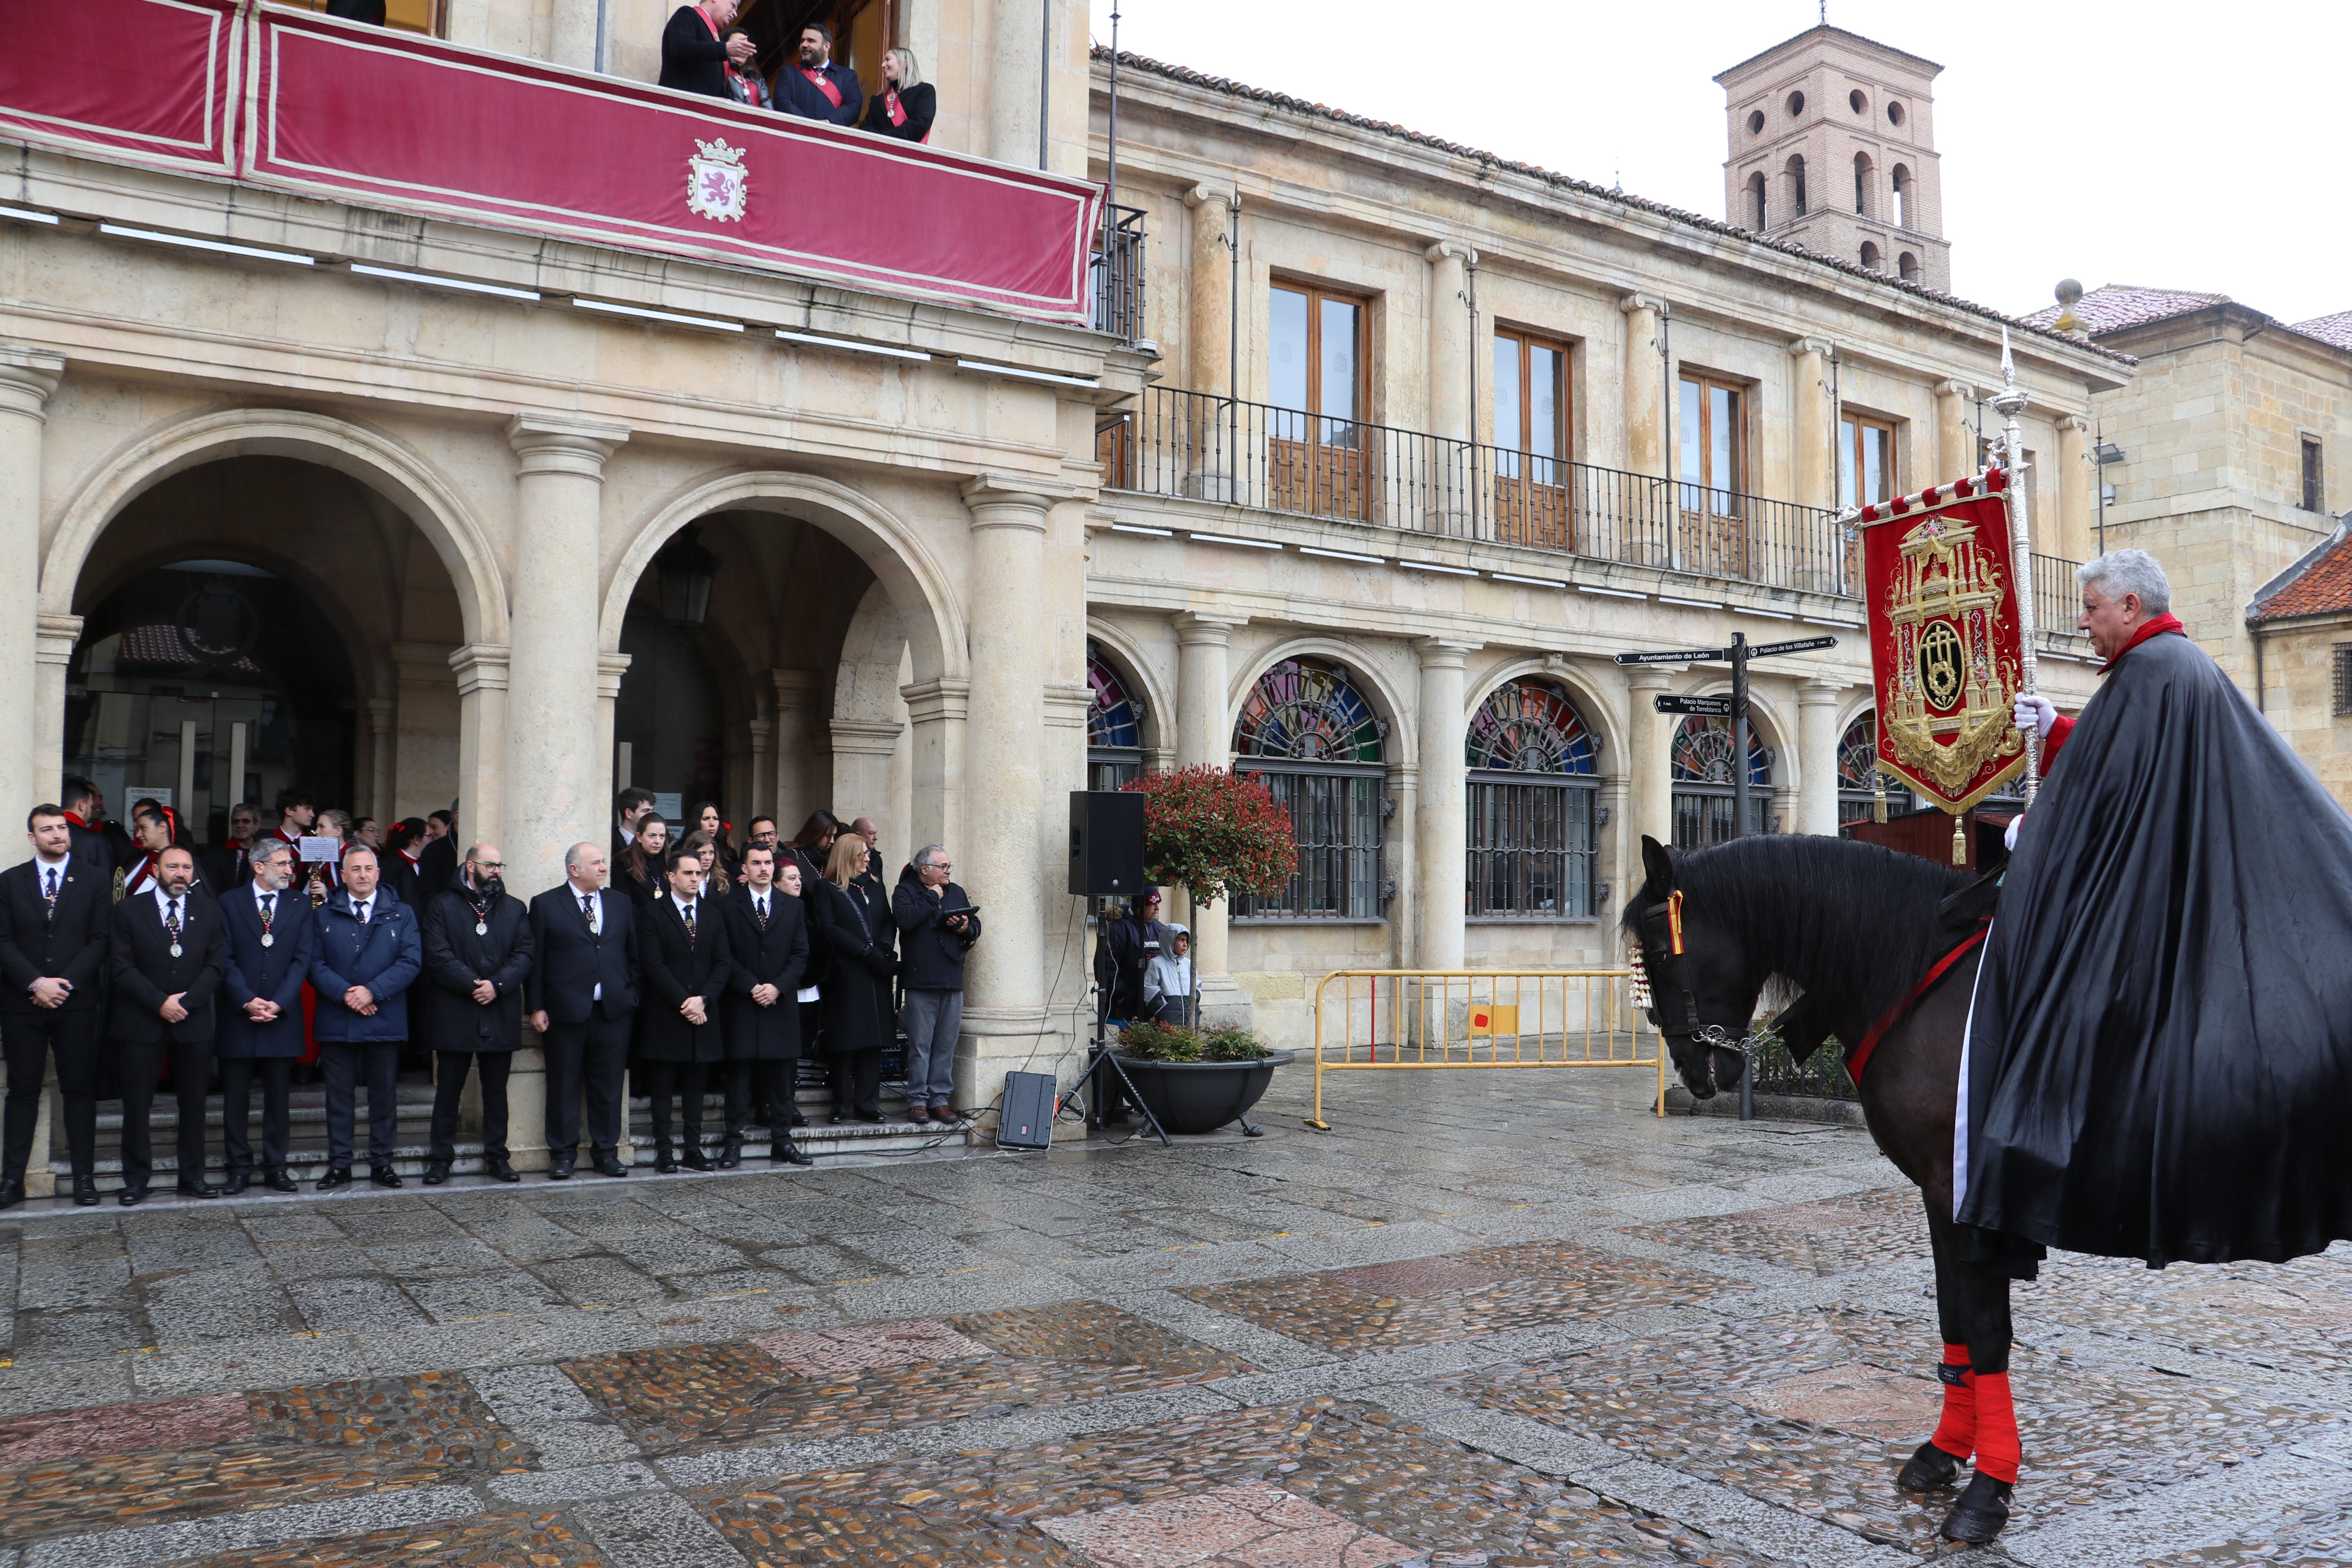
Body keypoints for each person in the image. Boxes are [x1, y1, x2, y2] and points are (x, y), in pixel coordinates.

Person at [1970, 547, 2352, 1272]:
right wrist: (2056, 730)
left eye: (2090, 609)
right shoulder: (2169, 665)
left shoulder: (2149, 673)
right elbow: (2122, 765)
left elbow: (2107, 799)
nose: (2082, 623)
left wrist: (2032, 834)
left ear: (2130, 608)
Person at [0, 806, 113, 1207]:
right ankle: (12, 1180)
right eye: (46, 829)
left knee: (79, 1090)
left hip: (76, 1001)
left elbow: (100, 939)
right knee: (22, 1091)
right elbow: (3, 941)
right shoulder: (10, 882)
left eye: (62, 828)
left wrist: (64, 985)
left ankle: (84, 1178)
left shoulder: (95, 880)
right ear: (32, 838)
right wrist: (36, 982)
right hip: (22, 1002)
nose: (56, 834)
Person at [109, 846, 225, 1204]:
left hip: (192, 1021)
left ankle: (192, 1177)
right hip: (142, 1020)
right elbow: (121, 967)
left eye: (187, 867)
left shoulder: (208, 910)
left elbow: (216, 965)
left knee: (193, 1104)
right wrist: (160, 1002)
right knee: (137, 1103)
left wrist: (184, 1003)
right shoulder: (129, 910)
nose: (180, 873)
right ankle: (136, 1181)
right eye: (172, 866)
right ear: (156, 870)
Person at [418, 844, 533, 1186]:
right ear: (470, 866)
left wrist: (496, 985)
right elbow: (437, 955)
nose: (497, 870)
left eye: (500, 864)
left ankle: (497, 1157)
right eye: (490, 864)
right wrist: (473, 984)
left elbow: (526, 953)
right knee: (449, 1090)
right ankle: (441, 1159)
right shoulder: (442, 904)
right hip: (456, 1010)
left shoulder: (514, 908)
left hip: (499, 1009)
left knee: (496, 1091)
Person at [309, 845, 421, 1189]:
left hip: (383, 1016)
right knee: (338, 1096)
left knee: (384, 1095)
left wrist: (371, 991)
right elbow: (313, 963)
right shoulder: (323, 914)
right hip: (337, 1017)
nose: (362, 875)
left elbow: (411, 961)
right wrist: (346, 993)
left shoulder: (402, 914)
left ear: (378, 873)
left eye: (368, 869)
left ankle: (382, 1163)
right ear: (342, 876)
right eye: (355, 869)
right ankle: (340, 1163)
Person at [528, 843, 640, 1180]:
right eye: (596, 863)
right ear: (575, 869)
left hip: (613, 1011)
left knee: (608, 1086)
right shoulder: (546, 904)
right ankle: (562, 1154)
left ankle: (607, 1152)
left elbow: (633, 954)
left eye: (604, 862)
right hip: (565, 1012)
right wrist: (536, 1006)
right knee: (563, 1084)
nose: (604, 867)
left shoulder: (620, 903)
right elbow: (537, 962)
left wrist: (631, 995)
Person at [216, 838, 316, 1195]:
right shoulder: (229, 902)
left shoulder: (300, 904)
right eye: (282, 864)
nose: (290, 870)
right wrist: (246, 1000)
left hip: (282, 1015)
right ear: (259, 867)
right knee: (236, 1100)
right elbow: (223, 958)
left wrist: (279, 1002)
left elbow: (302, 959)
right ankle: (238, 1168)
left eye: (290, 864)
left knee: (278, 1098)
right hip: (238, 1015)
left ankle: (277, 1166)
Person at [638, 846, 731, 1171]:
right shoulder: (653, 913)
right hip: (667, 1013)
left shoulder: (713, 912)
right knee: (662, 1088)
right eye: (688, 873)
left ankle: (694, 1148)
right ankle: (664, 1149)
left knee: (696, 1088)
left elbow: (723, 963)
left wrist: (704, 1000)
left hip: (704, 1013)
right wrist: (685, 1002)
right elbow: (654, 965)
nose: (695, 878)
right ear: (671, 876)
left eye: (699, 873)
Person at [721, 843, 812, 1165]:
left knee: (782, 1079)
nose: (763, 868)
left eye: (768, 862)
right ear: (744, 869)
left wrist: (777, 987)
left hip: (780, 1003)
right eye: (756, 863)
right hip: (741, 1003)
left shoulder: (793, 907)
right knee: (738, 1079)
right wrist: (750, 986)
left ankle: (783, 1141)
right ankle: (733, 1141)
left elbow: (801, 955)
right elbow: (723, 956)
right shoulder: (727, 906)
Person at [892, 843, 978, 1124]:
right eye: (943, 867)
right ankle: (917, 1101)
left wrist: (964, 927)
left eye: (949, 866)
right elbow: (905, 921)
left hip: (951, 977)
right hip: (921, 980)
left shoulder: (957, 891)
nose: (948, 871)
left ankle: (940, 1100)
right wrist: (931, 897)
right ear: (925, 869)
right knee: (920, 1046)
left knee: (945, 1045)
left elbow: (975, 927)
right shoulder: (906, 890)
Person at [814, 833, 893, 1122]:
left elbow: (888, 920)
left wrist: (884, 949)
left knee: (873, 1042)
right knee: (846, 1040)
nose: (868, 859)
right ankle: (840, 1104)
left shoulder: (874, 887)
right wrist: (863, 952)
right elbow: (829, 927)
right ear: (848, 856)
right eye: (862, 855)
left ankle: (868, 1104)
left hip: (877, 972)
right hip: (849, 971)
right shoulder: (827, 888)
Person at [659, 0, 757, 99]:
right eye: (732, 6)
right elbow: (681, 48)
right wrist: (724, 49)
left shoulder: (716, 37)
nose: (736, 14)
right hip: (681, 103)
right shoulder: (687, 15)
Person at [775, 22, 861, 126]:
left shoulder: (847, 76)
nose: (804, 45)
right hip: (797, 135)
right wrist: (806, 126)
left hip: (831, 138)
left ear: (826, 46)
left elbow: (854, 107)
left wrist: (827, 123)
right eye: (802, 41)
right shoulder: (789, 72)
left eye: (811, 41)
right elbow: (782, 102)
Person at [857, 47, 934, 142]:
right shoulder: (877, 100)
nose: (883, 65)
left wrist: (884, 139)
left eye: (888, 60)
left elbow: (920, 124)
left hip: (908, 154)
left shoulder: (924, 91)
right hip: (878, 153)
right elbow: (866, 128)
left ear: (905, 63)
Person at [59, 777, 116, 884]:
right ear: (82, 805)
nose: (90, 812)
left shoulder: (49, 835)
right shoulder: (96, 840)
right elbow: (104, 884)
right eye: (90, 806)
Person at [119, 800, 176, 898]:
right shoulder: (136, 860)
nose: (138, 835)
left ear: (162, 827)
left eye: (143, 828)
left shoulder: (183, 863)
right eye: (138, 829)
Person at [202, 802, 262, 892]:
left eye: (246, 821)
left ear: (257, 826)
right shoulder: (215, 856)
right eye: (236, 822)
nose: (240, 825)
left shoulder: (266, 853)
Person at [1143, 924, 1194, 1026]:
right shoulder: (1157, 964)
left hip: (1190, 1018)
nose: (1185, 945)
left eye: (1186, 941)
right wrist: (1163, 1009)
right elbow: (1150, 989)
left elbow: (1196, 987)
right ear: (1170, 940)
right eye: (1181, 940)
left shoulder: (1189, 964)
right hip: (1167, 1020)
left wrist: (1195, 1007)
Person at [619, 813, 670, 912]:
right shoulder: (624, 862)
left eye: (662, 836)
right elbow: (624, 904)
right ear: (639, 837)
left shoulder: (670, 862)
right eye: (652, 836)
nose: (658, 841)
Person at [719, 27, 773, 107]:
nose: (743, 50)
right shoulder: (720, 71)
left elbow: (768, 106)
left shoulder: (756, 76)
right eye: (738, 45)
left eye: (746, 46)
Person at [383, 818, 428, 909]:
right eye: (429, 836)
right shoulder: (397, 866)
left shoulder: (422, 863)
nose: (431, 840)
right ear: (416, 839)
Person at [417, 809, 459, 902]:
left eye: (434, 827)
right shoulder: (432, 850)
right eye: (429, 828)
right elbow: (428, 891)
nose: (431, 833)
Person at [680, 827, 733, 900]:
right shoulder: (679, 879)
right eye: (702, 853)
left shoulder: (723, 880)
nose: (708, 858)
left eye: (711, 853)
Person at [690, 802, 738, 878]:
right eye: (706, 819)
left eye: (716, 819)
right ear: (697, 821)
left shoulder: (728, 853)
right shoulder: (680, 849)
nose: (712, 824)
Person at [613, 787, 656, 864]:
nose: (651, 816)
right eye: (646, 811)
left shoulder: (656, 841)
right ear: (629, 813)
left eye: (651, 811)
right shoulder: (611, 842)